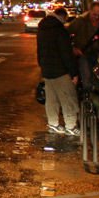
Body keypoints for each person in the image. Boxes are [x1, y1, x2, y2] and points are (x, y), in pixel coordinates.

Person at [37, 7, 80, 136]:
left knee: (51, 99)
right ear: (62, 17)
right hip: (61, 70)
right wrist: (73, 72)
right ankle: (71, 126)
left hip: (48, 70)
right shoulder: (60, 31)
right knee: (68, 98)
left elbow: (39, 51)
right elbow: (66, 53)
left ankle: (53, 123)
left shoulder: (42, 29)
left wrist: (43, 67)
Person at [67, 1, 99, 90]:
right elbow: (65, 35)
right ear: (90, 11)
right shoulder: (80, 21)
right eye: (94, 14)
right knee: (87, 77)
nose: (96, 17)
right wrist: (73, 48)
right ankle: (87, 95)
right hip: (83, 54)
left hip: (98, 55)